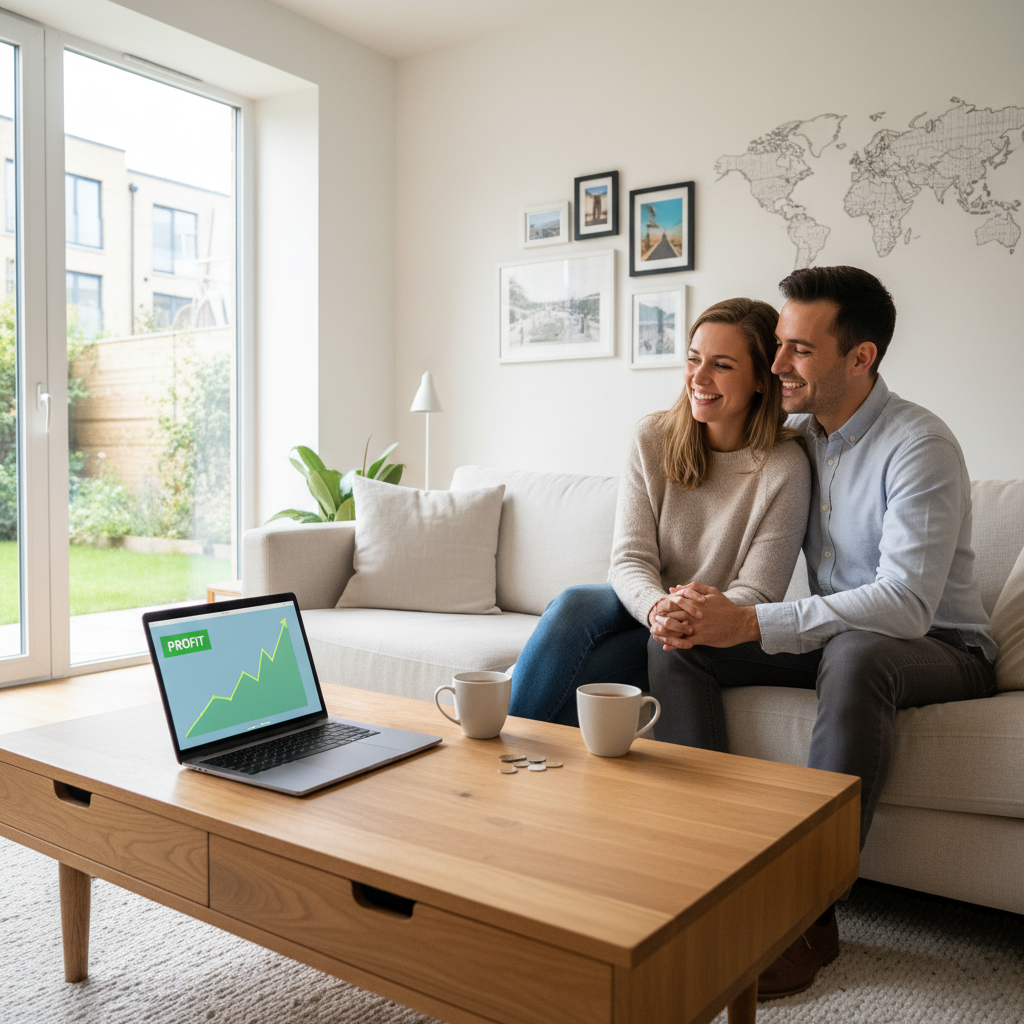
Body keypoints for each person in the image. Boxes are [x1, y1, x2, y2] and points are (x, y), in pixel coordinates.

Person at [648, 266, 997, 1000]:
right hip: (839, 641)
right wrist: (694, 609)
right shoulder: (796, 441)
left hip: (943, 647)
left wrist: (749, 619)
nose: (777, 366)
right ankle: (707, 872)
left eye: (799, 350)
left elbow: (904, 605)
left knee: (860, 648)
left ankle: (806, 916)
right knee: (678, 647)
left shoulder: (919, 444)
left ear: (860, 358)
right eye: (777, 345)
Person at [508, 297, 811, 726]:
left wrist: (688, 617)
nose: (698, 377)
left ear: (762, 379)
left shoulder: (785, 466)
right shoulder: (652, 437)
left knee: (593, 671)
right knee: (575, 602)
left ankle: (507, 748)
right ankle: (499, 752)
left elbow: (760, 592)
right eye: (693, 359)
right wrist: (656, 609)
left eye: (722, 365)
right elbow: (630, 559)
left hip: (710, 628)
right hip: (644, 605)